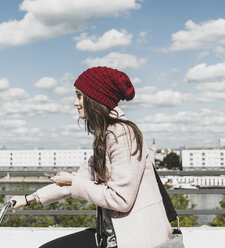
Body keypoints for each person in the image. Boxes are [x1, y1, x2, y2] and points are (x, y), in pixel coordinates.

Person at [10, 66, 172, 248]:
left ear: (94, 98)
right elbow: (79, 180)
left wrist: (73, 182)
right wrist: (28, 199)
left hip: (135, 238)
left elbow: (121, 199)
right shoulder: (106, 136)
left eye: (79, 96)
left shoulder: (122, 134)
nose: (75, 102)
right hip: (112, 234)